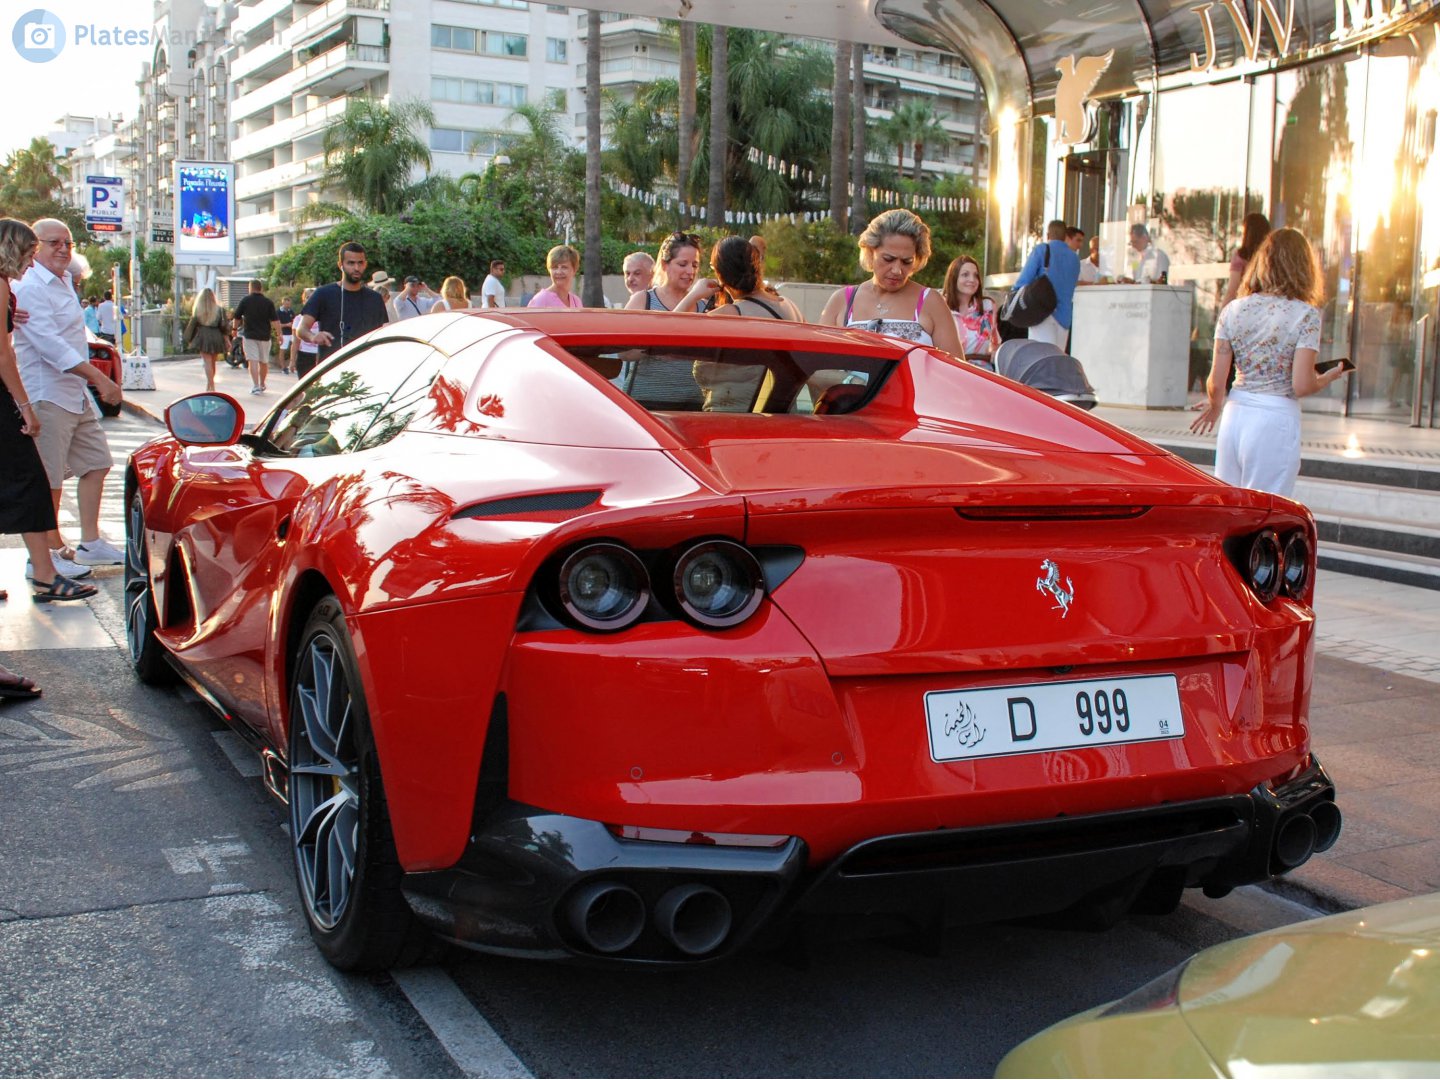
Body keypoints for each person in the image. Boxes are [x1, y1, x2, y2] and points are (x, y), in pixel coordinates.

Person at [1190, 228, 1350, 498]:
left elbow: (1216, 381)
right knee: (1269, 511)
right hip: (1274, 417)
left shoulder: (1233, 310)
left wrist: (1216, 405)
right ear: (1304, 267)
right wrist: (1328, 376)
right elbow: (1301, 384)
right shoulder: (1305, 315)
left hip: (1235, 415)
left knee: (1232, 507)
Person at [12, 218, 123, 573]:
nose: (62, 249)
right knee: (50, 479)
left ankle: (90, 543)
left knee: (97, 462)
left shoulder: (63, 281)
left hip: (73, 393)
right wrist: (99, 380)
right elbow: (50, 346)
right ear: (35, 247)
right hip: (46, 393)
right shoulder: (30, 285)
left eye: (68, 243)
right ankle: (43, 558)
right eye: (53, 243)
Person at [0, 218, 97, 611]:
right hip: (13, 394)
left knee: (26, 481)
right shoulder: (3, 285)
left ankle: (45, 570)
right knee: (31, 481)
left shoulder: (9, 288)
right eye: (28, 254)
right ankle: (43, 574)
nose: (30, 263)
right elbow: (4, 356)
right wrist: (24, 406)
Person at [818, 209, 963, 355]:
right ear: (870, 252)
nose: (897, 270)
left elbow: (957, 371)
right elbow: (818, 362)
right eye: (888, 259)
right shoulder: (841, 300)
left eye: (907, 262)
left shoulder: (931, 302)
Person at [294, 242, 391, 377]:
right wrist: (313, 336)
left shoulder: (375, 299)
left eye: (360, 263)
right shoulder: (323, 294)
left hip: (367, 373)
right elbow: (301, 329)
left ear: (365, 264)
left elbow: (380, 333)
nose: (356, 268)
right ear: (341, 265)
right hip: (331, 373)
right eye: (351, 263)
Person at [679, 236, 803, 320]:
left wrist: (693, 295)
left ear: (721, 274)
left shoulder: (729, 314)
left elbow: (669, 328)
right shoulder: (790, 305)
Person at [1011, 219, 1082, 351]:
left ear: (1048, 235)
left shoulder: (1042, 250)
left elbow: (1024, 280)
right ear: (1065, 236)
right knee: (1057, 359)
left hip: (1042, 313)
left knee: (1040, 358)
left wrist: (1013, 295)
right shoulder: (1075, 259)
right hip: (1064, 317)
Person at [625, 232, 709, 312]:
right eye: (682, 264)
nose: (690, 271)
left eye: (695, 266)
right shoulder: (642, 301)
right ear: (664, 264)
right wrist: (692, 297)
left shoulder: (704, 307)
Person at [942, 255, 999, 367]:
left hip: (982, 370)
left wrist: (995, 353)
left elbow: (995, 342)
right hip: (949, 369)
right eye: (965, 275)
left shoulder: (988, 306)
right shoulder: (940, 305)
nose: (972, 280)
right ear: (954, 278)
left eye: (976, 275)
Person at [231, 279, 279, 395]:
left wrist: (234, 330)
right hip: (265, 336)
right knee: (264, 362)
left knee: (253, 361)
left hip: (249, 335)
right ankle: (262, 383)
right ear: (261, 288)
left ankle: (255, 385)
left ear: (250, 288)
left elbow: (237, 317)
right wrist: (279, 334)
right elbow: (275, 320)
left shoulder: (245, 301)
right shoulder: (268, 302)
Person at [185, 288, 230, 393]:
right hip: (216, 336)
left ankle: (210, 384)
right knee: (213, 362)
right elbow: (224, 326)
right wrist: (227, 340)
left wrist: (189, 339)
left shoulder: (198, 309)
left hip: (203, 336)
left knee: (207, 362)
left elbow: (192, 325)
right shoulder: (219, 309)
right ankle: (211, 384)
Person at [1223, 212, 1271, 309]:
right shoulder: (1271, 255)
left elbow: (1232, 290)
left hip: (1246, 307)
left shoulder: (1241, 255)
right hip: (1268, 308)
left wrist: (1222, 315)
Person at [276, 295, 295, 373]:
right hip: (284, 333)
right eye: (286, 304)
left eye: (289, 304)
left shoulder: (291, 311)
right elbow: (277, 324)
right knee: (283, 350)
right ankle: (283, 368)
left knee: (295, 348)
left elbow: (294, 320)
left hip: (292, 333)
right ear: (283, 303)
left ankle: (293, 366)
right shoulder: (278, 312)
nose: (288, 306)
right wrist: (286, 325)